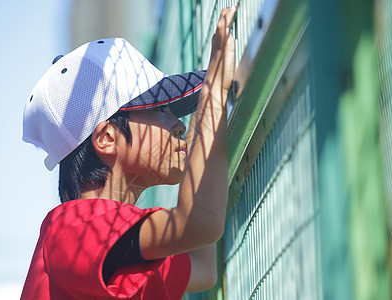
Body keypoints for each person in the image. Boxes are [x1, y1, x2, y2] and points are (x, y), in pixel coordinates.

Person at [21, 5, 237, 300]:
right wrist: (215, 92)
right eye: (161, 109)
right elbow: (199, 225)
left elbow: (202, 267)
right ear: (107, 138)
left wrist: (204, 137)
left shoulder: (126, 249)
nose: (180, 126)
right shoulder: (73, 230)